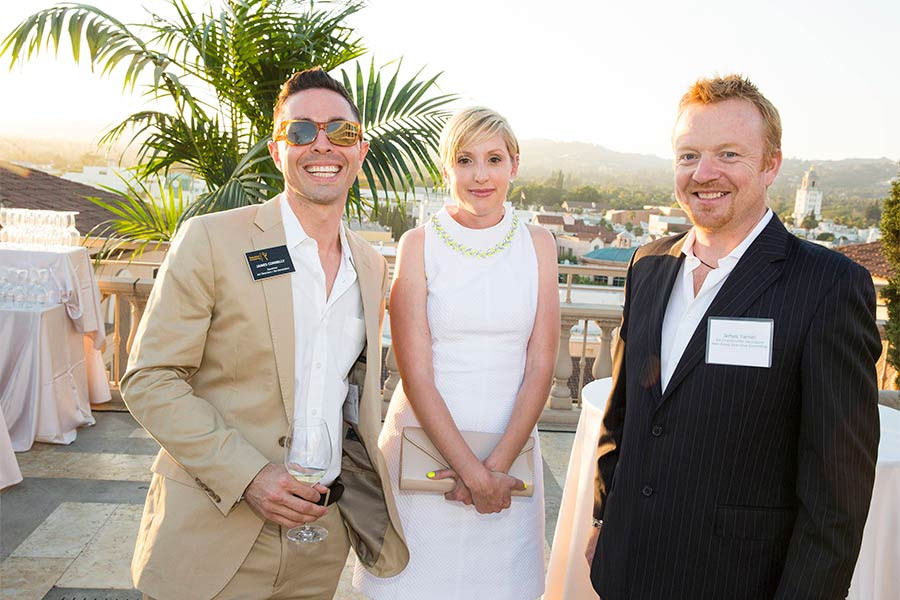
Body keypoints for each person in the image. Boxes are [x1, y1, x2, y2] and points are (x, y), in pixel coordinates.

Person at [586, 74, 881, 599]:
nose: (704, 173)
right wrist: (606, 519)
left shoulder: (828, 286)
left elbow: (837, 495)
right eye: (688, 155)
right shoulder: (648, 265)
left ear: (770, 165)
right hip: (626, 568)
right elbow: (623, 414)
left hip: (737, 582)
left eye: (728, 154)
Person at [121, 67, 408, 600]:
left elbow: (348, 396)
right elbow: (150, 378)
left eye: (340, 131)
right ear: (278, 151)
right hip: (216, 529)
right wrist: (249, 475)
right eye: (301, 131)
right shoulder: (211, 239)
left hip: (320, 537)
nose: (322, 144)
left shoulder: (369, 265)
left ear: (360, 149)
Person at [354, 107, 560, 599]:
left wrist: (497, 470)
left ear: (514, 163)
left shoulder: (539, 244)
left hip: (509, 464)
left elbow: (541, 363)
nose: (480, 175)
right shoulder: (418, 244)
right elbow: (415, 372)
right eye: (465, 160)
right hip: (425, 458)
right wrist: (471, 472)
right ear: (447, 169)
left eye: (493, 158)